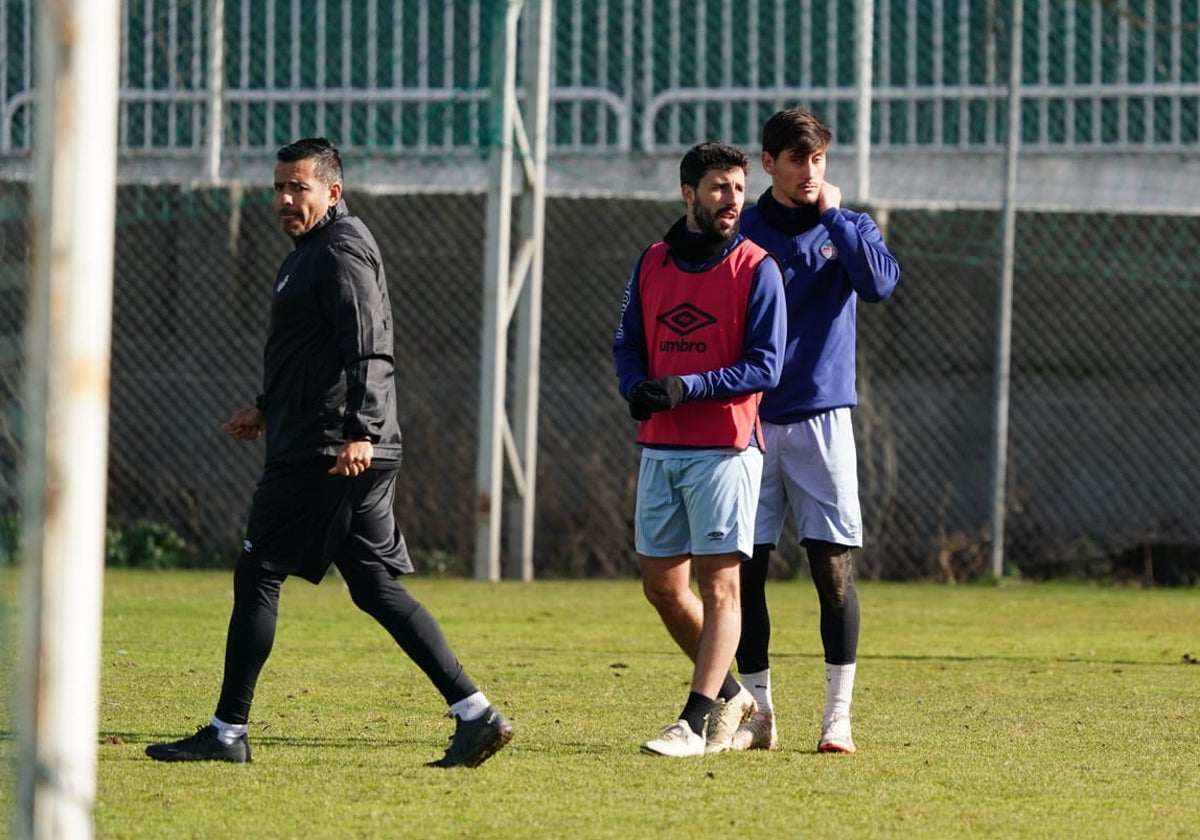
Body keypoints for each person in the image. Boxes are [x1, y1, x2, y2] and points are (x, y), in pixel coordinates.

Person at [146, 138, 512, 769]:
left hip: (331, 449)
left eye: (300, 188)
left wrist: (362, 430)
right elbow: (309, 346)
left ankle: (228, 732)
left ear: (332, 191)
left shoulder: (339, 251)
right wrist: (265, 406)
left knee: (258, 572)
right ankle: (475, 714)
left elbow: (368, 346)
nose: (286, 199)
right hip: (329, 441)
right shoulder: (310, 252)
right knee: (374, 587)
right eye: (279, 187)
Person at [731, 109, 900, 754]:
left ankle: (838, 716)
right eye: (797, 159)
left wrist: (834, 215)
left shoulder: (848, 225)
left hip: (823, 419)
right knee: (744, 572)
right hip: (749, 418)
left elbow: (880, 285)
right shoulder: (741, 233)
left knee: (832, 571)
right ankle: (760, 715)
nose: (810, 172)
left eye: (819, 159)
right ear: (768, 163)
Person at [612, 141, 786, 757]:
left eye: (738, 188)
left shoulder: (757, 267)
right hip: (660, 447)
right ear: (688, 193)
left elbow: (766, 365)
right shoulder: (652, 261)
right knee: (661, 586)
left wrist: (686, 387)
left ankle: (692, 719)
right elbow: (628, 342)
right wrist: (636, 386)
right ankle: (737, 696)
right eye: (718, 188)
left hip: (727, 447)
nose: (731, 200)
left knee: (721, 588)